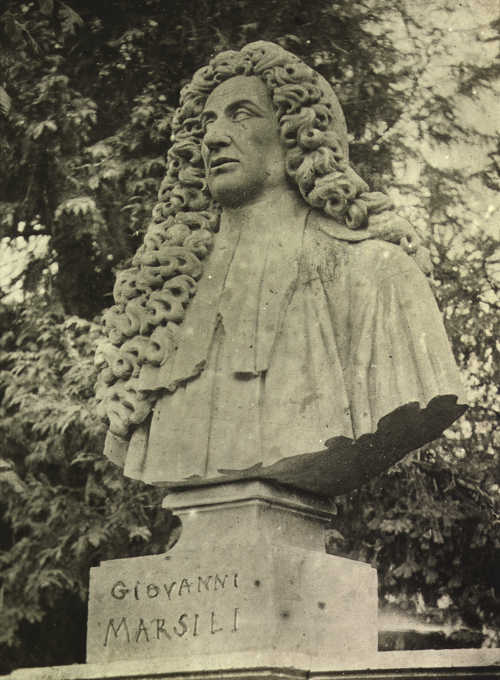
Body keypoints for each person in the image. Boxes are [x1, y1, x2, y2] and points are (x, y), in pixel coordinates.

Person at [96, 41, 466, 497]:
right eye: (207, 122)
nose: (213, 137)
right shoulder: (163, 307)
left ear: (296, 133)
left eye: (241, 114)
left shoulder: (378, 275)